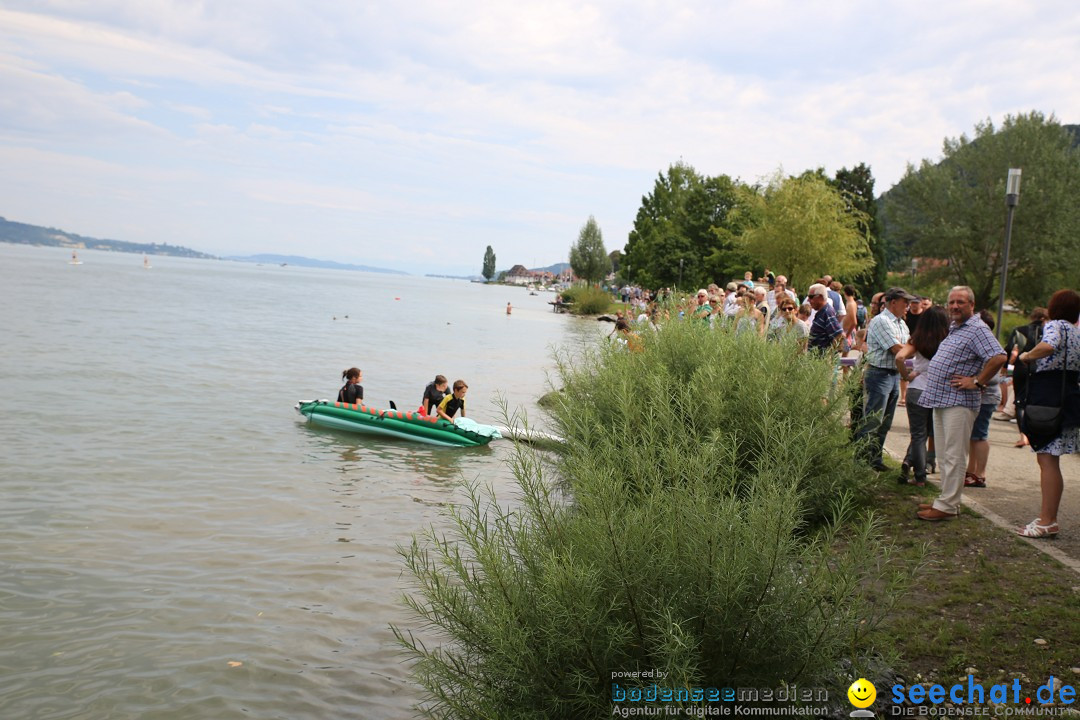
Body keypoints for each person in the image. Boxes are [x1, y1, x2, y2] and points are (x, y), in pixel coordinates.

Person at [914, 286, 1006, 521]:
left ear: (971, 305)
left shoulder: (976, 328)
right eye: (951, 302)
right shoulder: (955, 328)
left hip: (960, 401)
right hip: (943, 398)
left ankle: (947, 505)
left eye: (960, 302)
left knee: (954, 455)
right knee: (945, 454)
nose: (954, 306)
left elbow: (999, 356)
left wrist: (977, 381)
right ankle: (946, 501)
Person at [1015, 289, 1080, 538]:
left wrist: (1027, 356)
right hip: (1069, 397)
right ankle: (1048, 517)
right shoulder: (1076, 332)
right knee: (1051, 460)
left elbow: (1047, 346)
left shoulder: (1055, 326)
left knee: (1047, 460)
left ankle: (1047, 520)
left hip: (1048, 398)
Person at [856, 287, 915, 471]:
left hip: (893, 374)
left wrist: (908, 349)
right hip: (879, 374)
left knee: (885, 422)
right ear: (893, 302)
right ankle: (860, 461)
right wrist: (910, 350)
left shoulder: (901, 323)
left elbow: (907, 346)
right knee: (872, 421)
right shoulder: (882, 321)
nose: (908, 306)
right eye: (905, 302)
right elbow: (898, 349)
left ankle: (875, 459)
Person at [896, 307, 949, 487]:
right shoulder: (948, 341)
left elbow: (899, 357)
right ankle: (921, 466)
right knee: (931, 433)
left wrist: (906, 376)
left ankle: (919, 476)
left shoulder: (917, 339)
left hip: (917, 389)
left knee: (918, 435)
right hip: (937, 391)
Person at [963, 310, 1003, 488]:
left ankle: (980, 474)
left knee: (980, 435)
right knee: (973, 436)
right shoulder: (982, 343)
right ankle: (971, 471)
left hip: (987, 398)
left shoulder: (991, 345)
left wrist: (976, 380)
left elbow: (994, 376)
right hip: (980, 397)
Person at [1002, 308, 1049, 447]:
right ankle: (1035, 434)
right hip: (1040, 369)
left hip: (1021, 367)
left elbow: (1009, 348)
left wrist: (1005, 367)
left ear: (1032, 317)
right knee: (1034, 401)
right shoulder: (1048, 333)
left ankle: (1023, 436)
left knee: (1020, 401)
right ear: (1044, 319)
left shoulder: (1019, 330)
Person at [806, 283, 843, 354]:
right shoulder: (822, 312)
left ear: (820, 297)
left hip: (822, 361)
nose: (808, 300)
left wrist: (829, 357)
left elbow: (839, 335)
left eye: (811, 297)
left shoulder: (827, 312)